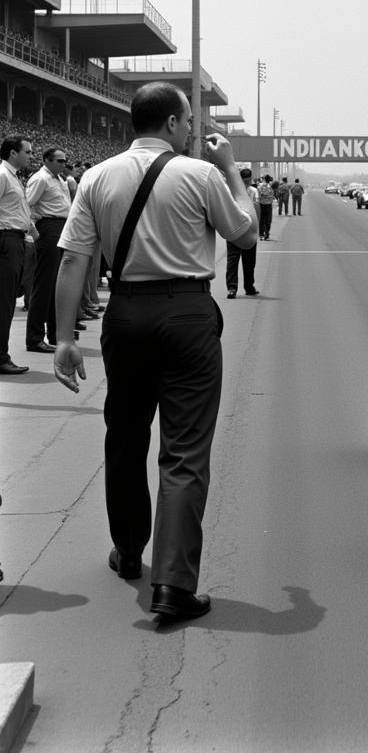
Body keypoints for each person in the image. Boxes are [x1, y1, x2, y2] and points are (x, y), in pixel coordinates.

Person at [52, 82, 258, 621]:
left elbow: (74, 261)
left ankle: (127, 551)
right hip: (187, 312)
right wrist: (232, 167)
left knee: (124, 436)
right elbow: (244, 235)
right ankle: (173, 585)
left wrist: (69, 338)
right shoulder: (201, 173)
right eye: (188, 121)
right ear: (170, 124)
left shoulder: (97, 177)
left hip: (125, 314)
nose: (192, 129)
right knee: (185, 452)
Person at [25, 147, 71, 352]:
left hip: (60, 227)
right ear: (47, 161)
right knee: (44, 285)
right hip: (49, 227)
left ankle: (54, 333)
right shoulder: (41, 179)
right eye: (59, 161)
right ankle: (35, 337)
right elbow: (26, 206)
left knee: (56, 285)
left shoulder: (59, 179)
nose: (63, 164)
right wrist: (34, 231)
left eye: (64, 161)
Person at [0, 136, 36, 373]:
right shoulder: (3, 175)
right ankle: (1, 357)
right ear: (13, 153)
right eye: (27, 152)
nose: (30, 156)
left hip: (16, 239)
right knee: (3, 302)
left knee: (8, 299)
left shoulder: (12, 176)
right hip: (6, 240)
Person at [225, 167, 259, 299]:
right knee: (249, 260)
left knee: (232, 260)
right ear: (250, 179)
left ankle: (232, 288)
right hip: (249, 228)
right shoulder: (253, 191)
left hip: (234, 228)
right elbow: (257, 209)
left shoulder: (230, 191)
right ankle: (249, 287)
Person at [256, 174, 275, 240]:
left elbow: (258, 196)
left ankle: (261, 235)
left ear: (264, 179)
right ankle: (266, 234)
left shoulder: (259, 186)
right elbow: (272, 196)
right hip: (268, 206)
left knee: (261, 220)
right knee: (268, 221)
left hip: (261, 205)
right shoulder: (271, 187)